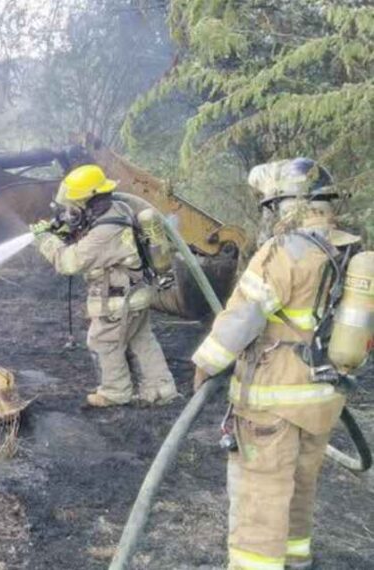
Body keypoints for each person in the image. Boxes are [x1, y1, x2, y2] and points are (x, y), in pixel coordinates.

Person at [192, 158, 358, 570]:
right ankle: (296, 560)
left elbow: (245, 317)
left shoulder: (283, 252)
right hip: (321, 398)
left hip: (274, 401)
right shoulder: (348, 247)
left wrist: (206, 363)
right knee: (300, 487)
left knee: (260, 494)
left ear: (284, 205)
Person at [31, 164, 179, 408]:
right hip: (135, 294)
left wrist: (46, 241)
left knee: (103, 341)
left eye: (75, 205)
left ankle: (115, 392)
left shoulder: (106, 232)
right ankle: (161, 388)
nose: (72, 210)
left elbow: (69, 262)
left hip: (118, 301)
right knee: (140, 339)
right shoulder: (117, 208)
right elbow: (90, 236)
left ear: (89, 200)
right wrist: (67, 230)